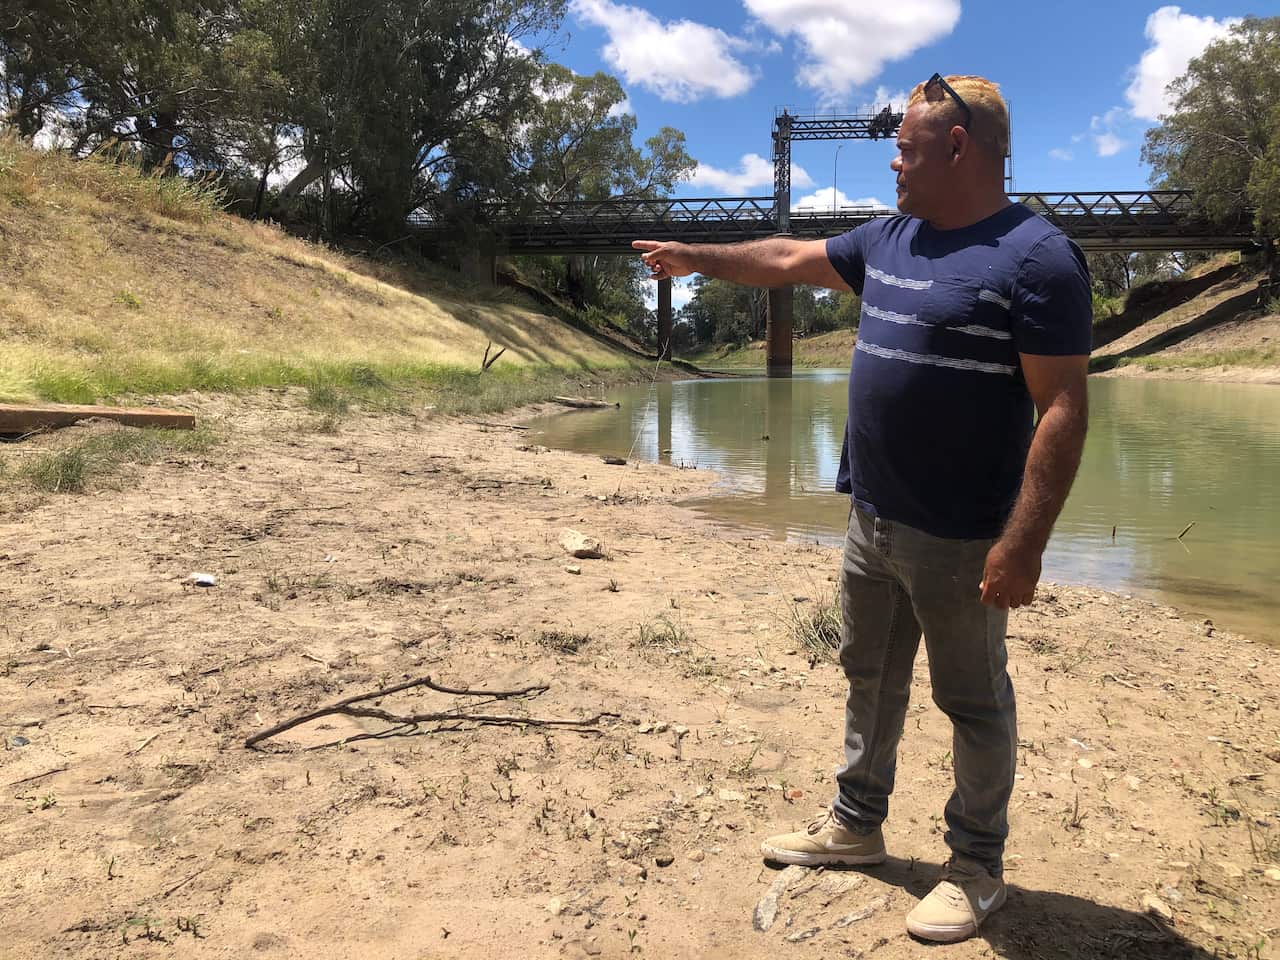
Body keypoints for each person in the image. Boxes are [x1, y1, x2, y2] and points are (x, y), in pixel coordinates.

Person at [633, 74, 1091, 943]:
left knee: (973, 701)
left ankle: (975, 866)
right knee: (868, 676)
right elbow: (784, 258)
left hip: (961, 538)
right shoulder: (891, 237)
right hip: (870, 516)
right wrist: (697, 258)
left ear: (957, 148)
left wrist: (1023, 544)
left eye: (906, 146)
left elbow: (1062, 405)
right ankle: (856, 823)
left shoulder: (1038, 258)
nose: (893, 159)